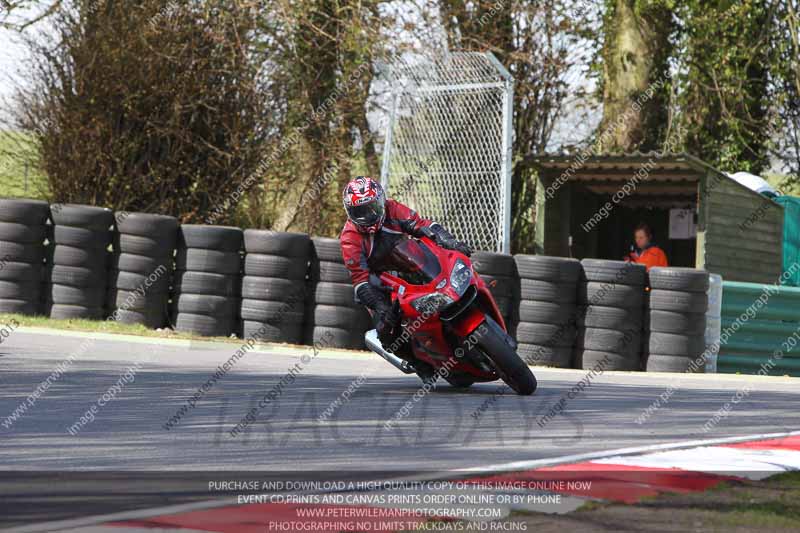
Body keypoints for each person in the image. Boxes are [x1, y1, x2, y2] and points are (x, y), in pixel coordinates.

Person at [339, 176, 472, 347]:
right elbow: (360, 280)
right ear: (349, 212)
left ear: (381, 201)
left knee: (451, 266)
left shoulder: (392, 208)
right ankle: (416, 361)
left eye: (372, 208)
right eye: (360, 212)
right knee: (385, 328)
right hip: (382, 281)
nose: (369, 216)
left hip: (409, 262)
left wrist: (450, 241)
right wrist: (379, 306)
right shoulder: (349, 238)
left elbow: (421, 225)